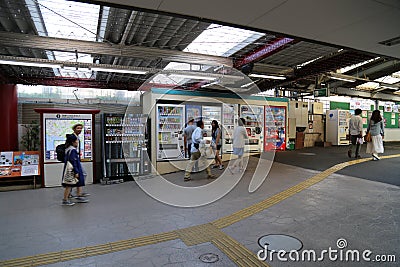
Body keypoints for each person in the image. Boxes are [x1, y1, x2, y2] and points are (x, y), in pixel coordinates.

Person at [62, 134, 88, 205]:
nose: (77, 142)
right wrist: (76, 171)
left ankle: (76, 195)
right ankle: (65, 199)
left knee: (71, 184)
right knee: (69, 185)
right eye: (76, 140)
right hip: (73, 170)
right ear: (73, 142)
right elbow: (74, 161)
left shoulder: (68, 148)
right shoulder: (72, 150)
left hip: (70, 169)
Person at [69, 123, 90, 199]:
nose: (80, 130)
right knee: (81, 174)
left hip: (77, 158)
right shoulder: (72, 137)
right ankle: (74, 192)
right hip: (73, 159)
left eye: (81, 128)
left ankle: (77, 192)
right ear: (74, 129)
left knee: (81, 174)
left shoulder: (77, 137)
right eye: (78, 128)